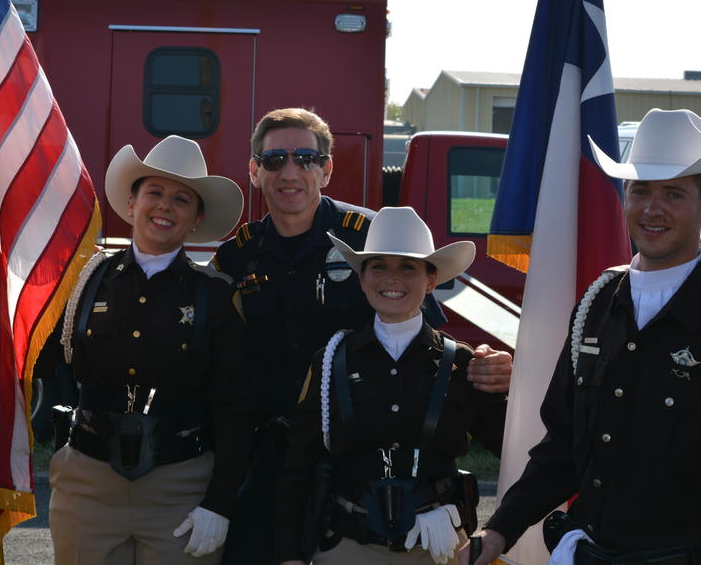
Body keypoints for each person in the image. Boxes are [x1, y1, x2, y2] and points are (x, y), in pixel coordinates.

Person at [213, 108, 513, 564]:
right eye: (273, 159)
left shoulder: (372, 239)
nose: (289, 171)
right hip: (268, 451)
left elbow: (421, 335)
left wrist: (483, 361)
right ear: (254, 171)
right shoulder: (238, 255)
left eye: (305, 158)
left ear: (327, 169)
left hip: (347, 462)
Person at [464, 109, 701, 565]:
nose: (653, 209)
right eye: (641, 191)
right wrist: (499, 530)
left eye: (673, 194)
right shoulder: (597, 307)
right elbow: (563, 447)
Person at [36, 135, 256, 564]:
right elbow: (34, 360)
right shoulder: (85, 281)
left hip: (180, 486)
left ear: (196, 218)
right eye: (154, 192)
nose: (165, 207)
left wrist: (220, 502)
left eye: (181, 199)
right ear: (132, 202)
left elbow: (237, 407)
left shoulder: (215, 297)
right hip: (89, 485)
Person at [274, 206, 507, 565]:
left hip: (437, 547)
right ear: (362, 277)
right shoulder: (333, 360)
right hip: (350, 545)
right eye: (379, 265)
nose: (391, 278)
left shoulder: (462, 364)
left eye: (408, 267)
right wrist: (289, 554)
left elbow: (517, 449)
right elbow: (299, 463)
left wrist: (515, 381)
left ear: (431, 281)